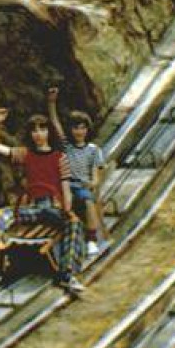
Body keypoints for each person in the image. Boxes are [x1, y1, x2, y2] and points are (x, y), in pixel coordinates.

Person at [0, 108, 86, 295]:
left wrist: (67, 210)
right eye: (35, 130)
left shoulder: (60, 158)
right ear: (30, 134)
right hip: (32, 207)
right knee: (1, 215)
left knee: (74, 224)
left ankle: (68, 274)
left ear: (49, 132)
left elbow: (66, 188)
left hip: (52, 206)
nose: (39, 134)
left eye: (43, 129)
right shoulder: (26, 154)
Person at [47, 86, 110, 257]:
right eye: (76, 128)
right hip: (66, 185)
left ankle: (91, 240)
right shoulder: (67, 146)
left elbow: (96, 175)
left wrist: (93, 183)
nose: (79, 132)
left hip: (81, 186)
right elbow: (55, 124)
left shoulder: (93, 150)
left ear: (87, 130)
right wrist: (51, 103)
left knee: (87, 201)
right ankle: (57, 240)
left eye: (82, 128)